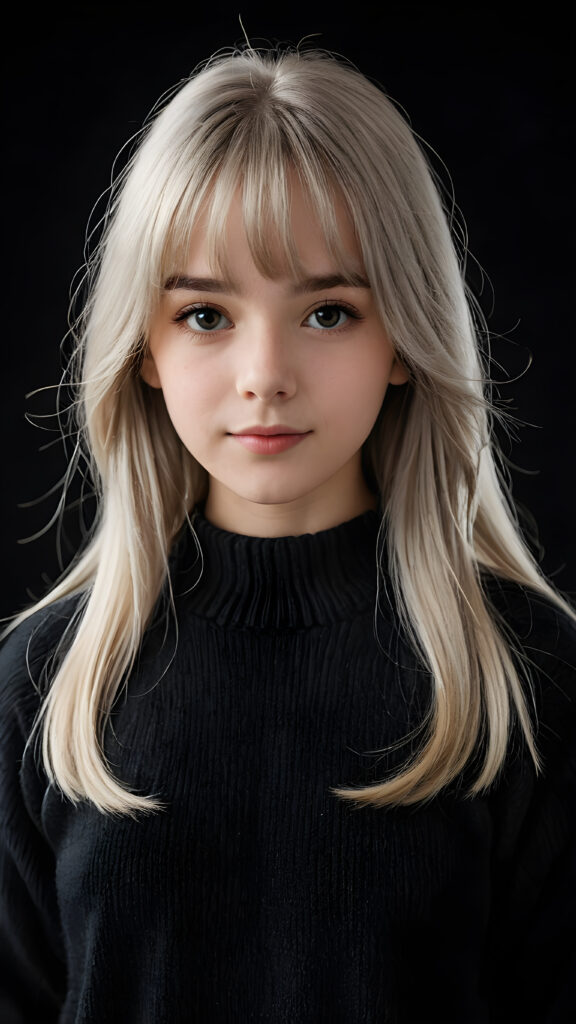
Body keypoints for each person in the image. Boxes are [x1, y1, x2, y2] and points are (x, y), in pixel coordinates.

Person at [1, 43, 574, 1024]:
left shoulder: (525, 674)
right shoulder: (44, 684)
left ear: (405, 336)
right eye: (207, 314)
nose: (265, 372)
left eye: (326, 311)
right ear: (144, 346)